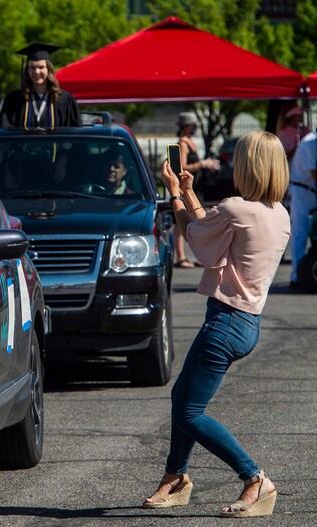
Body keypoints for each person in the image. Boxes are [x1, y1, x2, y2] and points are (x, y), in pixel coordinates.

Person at [144, 130, 290, 518]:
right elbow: (214, 229)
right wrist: (190, 194)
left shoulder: (236, 207)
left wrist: (174, 194)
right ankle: (175, 477)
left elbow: (198, 239)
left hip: (224, 323)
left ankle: (255, 479)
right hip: (247, 322)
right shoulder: (279, 214)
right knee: (182, 399)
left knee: (189, 411)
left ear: (249, 167)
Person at [173, 112, 220, 268]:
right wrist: (203, 164)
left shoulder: (190, 142)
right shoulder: (183, 144)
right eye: (192, 125)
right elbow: (183, 166)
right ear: (186, 126)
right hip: (185, 186)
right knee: (182, 221)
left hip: (195, 185)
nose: (194, 128)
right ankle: (180, 257)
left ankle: (197, 255)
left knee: (196, 218)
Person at [0, 43, 81, 129]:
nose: (37, 71)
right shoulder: (14, 99)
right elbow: (5, 134)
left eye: (41, 67)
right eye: (32, 67)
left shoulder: (65, 99)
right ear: (27, 70)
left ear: (48, 69)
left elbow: (75, 133)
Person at [288, 129, 317, 290]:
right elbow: (314, 173)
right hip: (303, 191)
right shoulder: (310, 143)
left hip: (310, 191)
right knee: (300, 233)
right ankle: (297, 276)